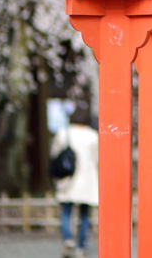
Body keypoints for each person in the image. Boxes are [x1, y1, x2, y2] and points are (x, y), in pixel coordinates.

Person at [51, 104, 98, 257]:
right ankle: (81, 247)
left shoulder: (63, 133)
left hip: (68, 178)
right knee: (84, 215)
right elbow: (98, 158)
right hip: (87, 178)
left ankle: (67, 239)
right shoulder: (93, 136)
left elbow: (54, 154)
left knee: (66, 212)